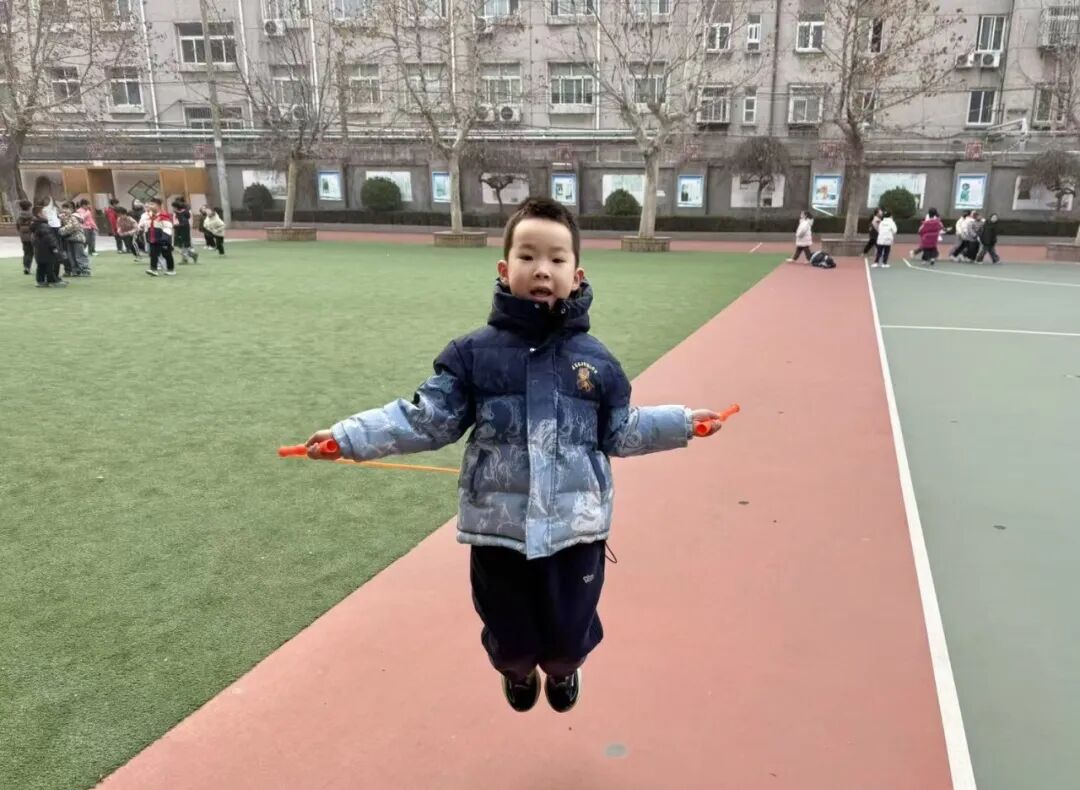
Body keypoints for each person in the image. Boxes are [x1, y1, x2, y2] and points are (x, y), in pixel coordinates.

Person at [298, 197, 723, 714]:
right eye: (527, 256)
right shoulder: (472, 355)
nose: (542, 269)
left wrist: (682, 423)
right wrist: (348, 437)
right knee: (511, 643)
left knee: (568, 640)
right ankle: (517, 674)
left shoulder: (598, 364)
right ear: (505, 269)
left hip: (575, 532)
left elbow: (621, 431)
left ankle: (564, 671)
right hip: (498, 531)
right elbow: (428, 419)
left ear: (576, 274)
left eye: (556, 259)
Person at [30, 205, 67, 288]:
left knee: (41, 266)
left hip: (39, 249)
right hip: (47, 249)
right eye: (44, 213)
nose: (46, 214)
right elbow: (49, 238)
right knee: (49, 265)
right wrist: (54, 247)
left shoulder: (35, 224)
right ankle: (52, 281)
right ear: (39, 214)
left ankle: (40, 281)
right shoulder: (44, 225)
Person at [144, 197, 176, 276]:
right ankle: (153, 269)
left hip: (163, 239)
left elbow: (168, 227)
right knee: (153, 254)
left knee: (167, 254)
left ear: (158, 206)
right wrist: (147, 235)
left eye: (152, 204)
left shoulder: (163, 216)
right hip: (153, 239)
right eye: (149, 204)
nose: (150, 206)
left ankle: (171, 269)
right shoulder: (149, 216)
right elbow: (147, 226)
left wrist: (165, 239)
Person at [59, 201, 91, 276]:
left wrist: (61, 230)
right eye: (63, 208)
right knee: (71, 256)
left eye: (67, 208)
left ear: (72, 209)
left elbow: (73, 226)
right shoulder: (64, 217)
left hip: (77, 238)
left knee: (79, 255)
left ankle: (84, 270)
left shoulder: (74, 216)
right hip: (69, 238)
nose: (64, 210)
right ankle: (76, 270)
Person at [171, 198, 199, 264]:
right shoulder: (178, 213)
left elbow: (185, 223)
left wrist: (176, 226)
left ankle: (185, 259)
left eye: (173, 207)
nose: (172, 209)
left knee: (183, 246)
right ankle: (192, 255)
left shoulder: (183, 213)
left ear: (176, 207)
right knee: (180, 246)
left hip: (183, 231)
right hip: (179, 230)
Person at [15, 199, 35, 275]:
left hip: (23, 237)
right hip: (31, 235)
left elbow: (17, 226)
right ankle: (31, 267)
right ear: (29, 207)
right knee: (32, 252)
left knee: (26, 252)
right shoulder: (31, 215)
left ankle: (26, 267)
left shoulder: (19, 216)